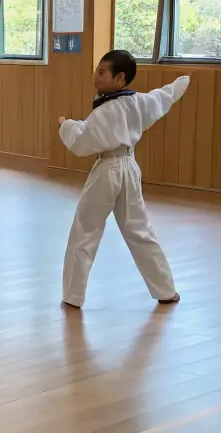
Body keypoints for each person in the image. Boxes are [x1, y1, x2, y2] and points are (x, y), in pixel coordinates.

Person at [58, 50, 189, 309]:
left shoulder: (107, 109)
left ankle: (73, 295)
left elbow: (82, 140)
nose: (96, 77)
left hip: (107, 169)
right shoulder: (136, 101)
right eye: (97, 71)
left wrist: (65, 124)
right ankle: (165, 289)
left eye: (102, 73)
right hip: (129, 167)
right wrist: (179, 84)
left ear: (120, 78)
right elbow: (161, 98)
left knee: (86, 230)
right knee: (140, 230)